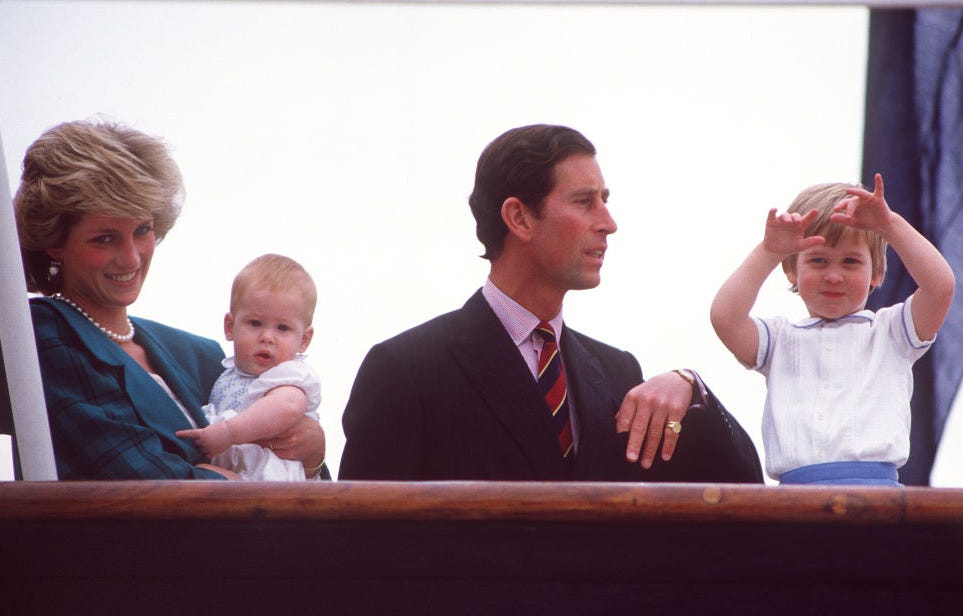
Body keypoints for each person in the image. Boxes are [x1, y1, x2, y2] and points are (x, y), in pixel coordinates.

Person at [339, 123, 762, 482]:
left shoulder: (619, 373)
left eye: (605, 200)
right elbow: (360, 547)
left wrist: (691, 386)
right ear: (519, 217)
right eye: (584, 201)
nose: (609, 223)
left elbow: (744, 491)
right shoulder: (405, 368)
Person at [13, 119, 326, 480]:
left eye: (142, 230)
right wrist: (232, 486)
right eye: (104, 238)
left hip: (256, 535)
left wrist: (312, 456)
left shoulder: (202, 355)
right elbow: (135, 475)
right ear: (55, 241)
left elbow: (290, 479)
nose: (131, 258)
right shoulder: (45, 334)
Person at [710, 174, 955, 486]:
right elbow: (725, 317)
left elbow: (941, 287)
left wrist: (889, 225)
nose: (834, 276)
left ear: (876, 273)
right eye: (819, 261)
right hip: (793, 501)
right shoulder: (779, 341)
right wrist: (769, 251)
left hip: (876, 496)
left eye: (851, 262)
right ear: (791, 271)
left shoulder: (891, 332)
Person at [176, 254, 326, 480]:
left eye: (282, 328)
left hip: (271, 476)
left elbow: (286, 407)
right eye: (255, 323)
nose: (267, 337)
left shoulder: (290, 375)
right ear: (230, 326)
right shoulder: (230, 374)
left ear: (304, 339)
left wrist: (228, 432)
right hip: (240, 467)